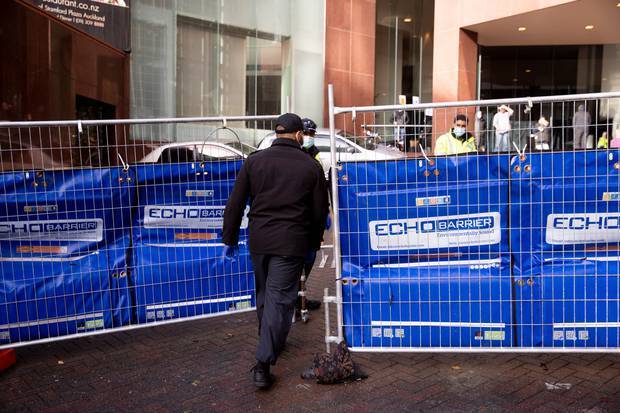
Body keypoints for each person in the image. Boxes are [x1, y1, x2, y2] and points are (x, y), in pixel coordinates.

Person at [222, 113, 329, 390]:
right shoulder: (310, 167)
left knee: (264, 295)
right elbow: (319, 213)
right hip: (291, 243)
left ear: (276, 133)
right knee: (280, 300)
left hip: (258, 240)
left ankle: (268, 342)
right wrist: (314, 243)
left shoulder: (254, 161)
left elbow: (235, 203)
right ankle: (263, 363)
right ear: (297, 135)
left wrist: (229, 238)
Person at [298, 117, 326, 319]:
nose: (309, 137)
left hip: (311, 215)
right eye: (306, 133)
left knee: (309, 259)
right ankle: (295, 301)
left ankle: (301, 298)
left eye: (312, 134)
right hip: (296, 215)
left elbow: (322, 187)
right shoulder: (293, 153)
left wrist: (324, 216)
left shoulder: (316, 156)